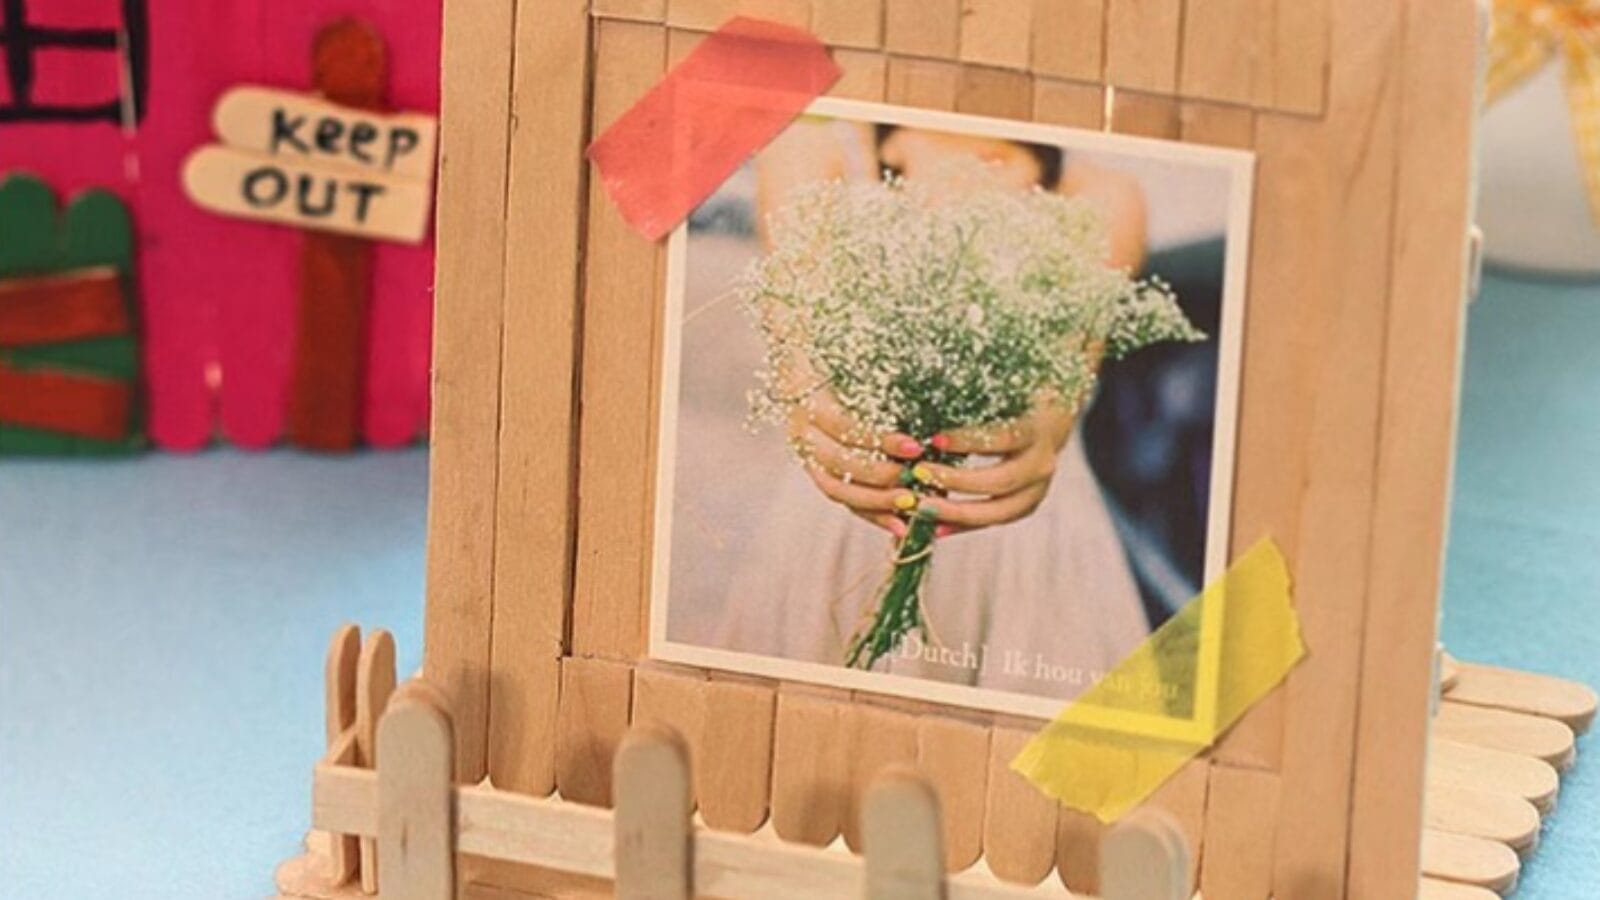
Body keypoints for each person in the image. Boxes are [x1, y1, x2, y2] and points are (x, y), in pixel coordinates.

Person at [710, 117, 1154, 700]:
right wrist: (814, 402)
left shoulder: (1099, 193)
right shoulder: (817, 147)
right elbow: (800, 344)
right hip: (851, 525)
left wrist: (1039, 426)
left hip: (1024, 545)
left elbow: (1064, 375)